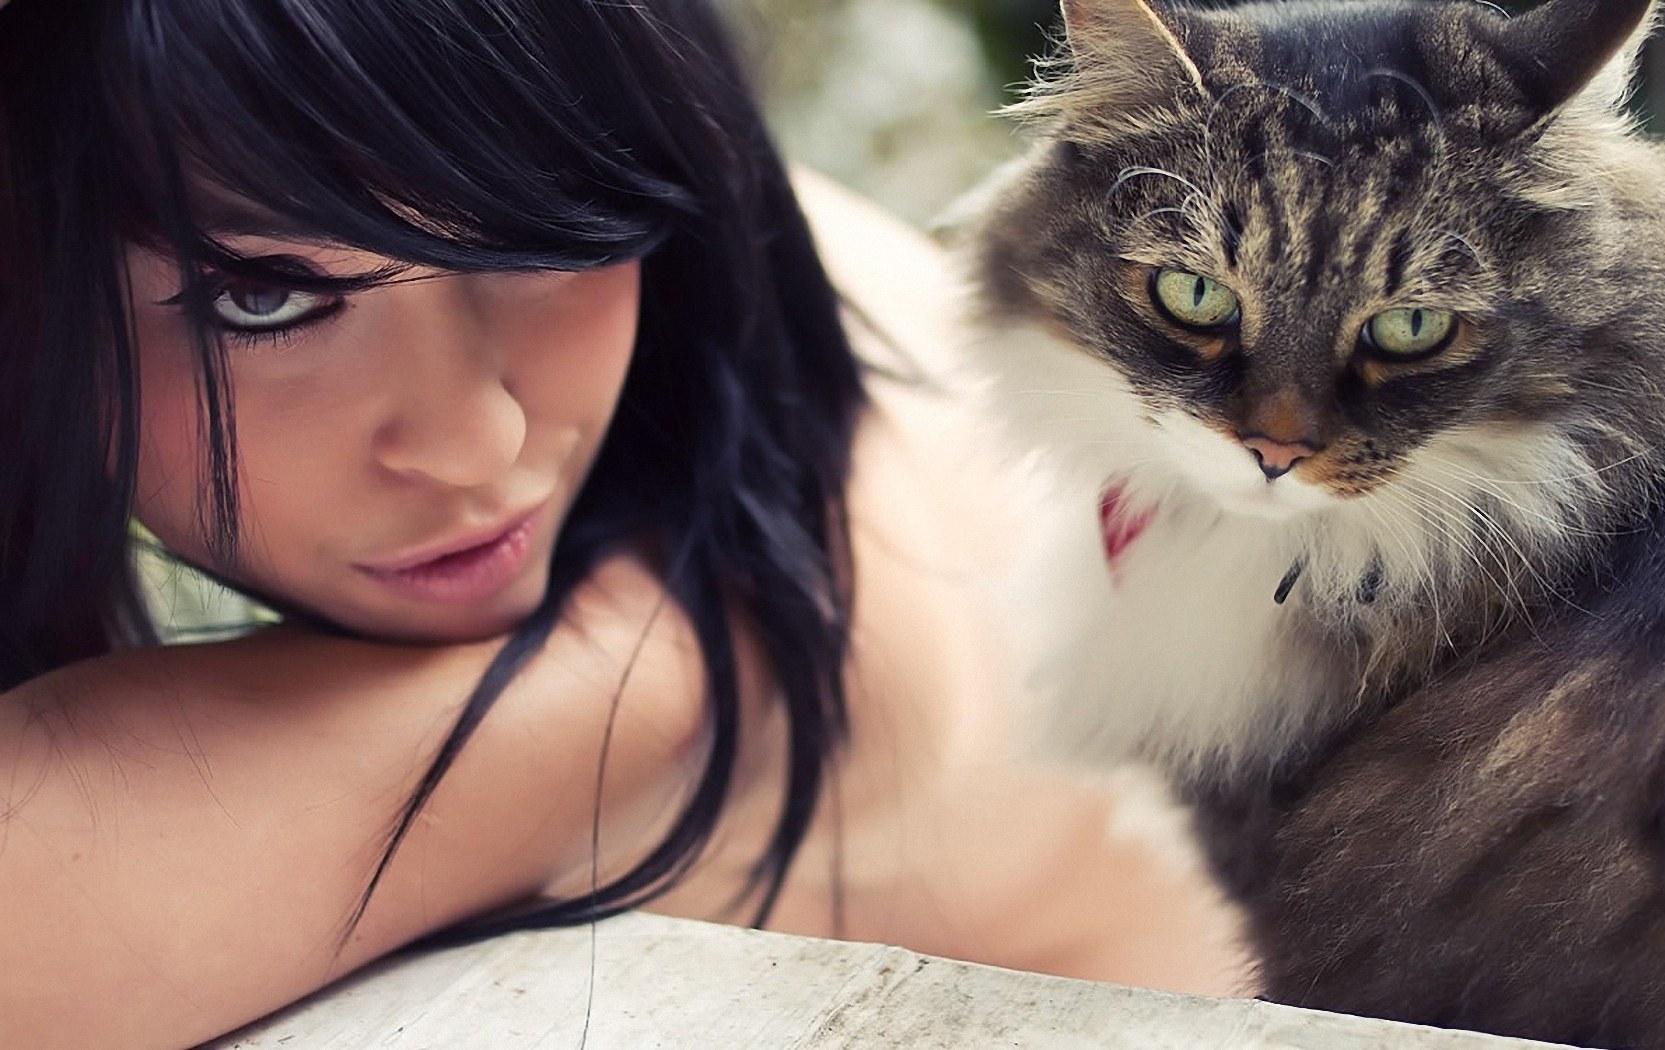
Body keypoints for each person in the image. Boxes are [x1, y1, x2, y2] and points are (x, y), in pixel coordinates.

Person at [0, 1, 1248, 1046]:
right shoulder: (715, 272)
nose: (477, 441)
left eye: (532, 242)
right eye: (268, 300)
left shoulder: (668, 660)